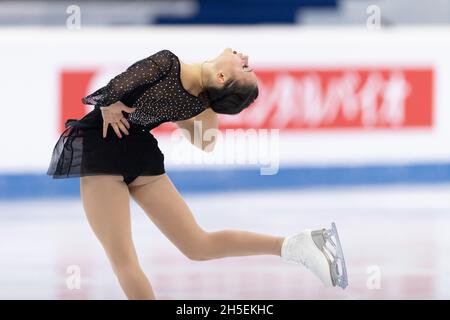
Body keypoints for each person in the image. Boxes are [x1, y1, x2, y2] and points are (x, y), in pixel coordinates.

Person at [47, 48, 348, 299]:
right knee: (197, 245)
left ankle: (298, 246)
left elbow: (109, 91)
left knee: (124, 261)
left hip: (104, 149)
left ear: (221, 76)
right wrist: (187, 113)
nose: (244, 56)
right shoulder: (199, 105)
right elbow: (206, 142)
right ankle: (295, 245)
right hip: (139, 151)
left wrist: (110, 104)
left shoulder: (166, 63)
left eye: (245, 66)